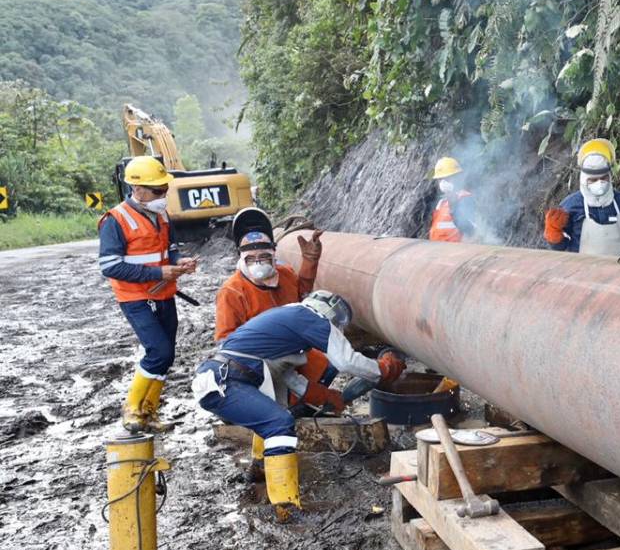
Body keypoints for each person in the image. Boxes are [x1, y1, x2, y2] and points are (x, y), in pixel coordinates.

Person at [192, 291, 407, 520]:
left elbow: (292, 380)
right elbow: (346, 361)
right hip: (226, 381)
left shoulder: (286, 324)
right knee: (280, 423)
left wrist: (325, 395)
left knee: (272, 416)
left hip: (220, 378)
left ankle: (260, 468)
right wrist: (384, 368)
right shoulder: (311, 317)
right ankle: (285, 505)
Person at [215, 215, 346, 476]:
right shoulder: (232, 292)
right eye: (251, 259)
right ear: (242, 259)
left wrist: (310, 262)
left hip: (290, 354)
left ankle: (300, 408)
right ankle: (267, 449)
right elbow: (225, 341)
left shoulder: (284, 275)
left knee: (326, 362)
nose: (258, 263)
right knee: (275, 408)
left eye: (264, 257)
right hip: (256, 363)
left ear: (273, 256)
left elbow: (302, 295)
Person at [99, 155, 198, 433]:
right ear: (138, 189)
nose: (163, 194)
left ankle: (149, 412)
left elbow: (170, 249)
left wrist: (179, 261)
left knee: (167, 355)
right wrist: (158, 272)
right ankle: (132, 408)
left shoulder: (162, 215)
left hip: (164, 294)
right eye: (158, 190)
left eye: (165, 189)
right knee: (158, 351)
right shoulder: (115, 220)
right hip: (136, 298)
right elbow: (110, 266)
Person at [543, 139, 620, 256]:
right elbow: (561, 247)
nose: (600, 183)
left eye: (604, 178)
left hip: (618, 266)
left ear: (610, 176)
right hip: (582, 267)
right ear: (584, 179)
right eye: (593, 180)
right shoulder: (570, 206)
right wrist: (553, 233)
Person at [428, 157, 476, 242]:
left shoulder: (465, 198)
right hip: (436, 248)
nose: (443, 182)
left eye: (446, 178)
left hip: (457, 249)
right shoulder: (441, 203)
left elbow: (471, 231)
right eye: (440, 179)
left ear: (457, 177)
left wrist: (454, 207)